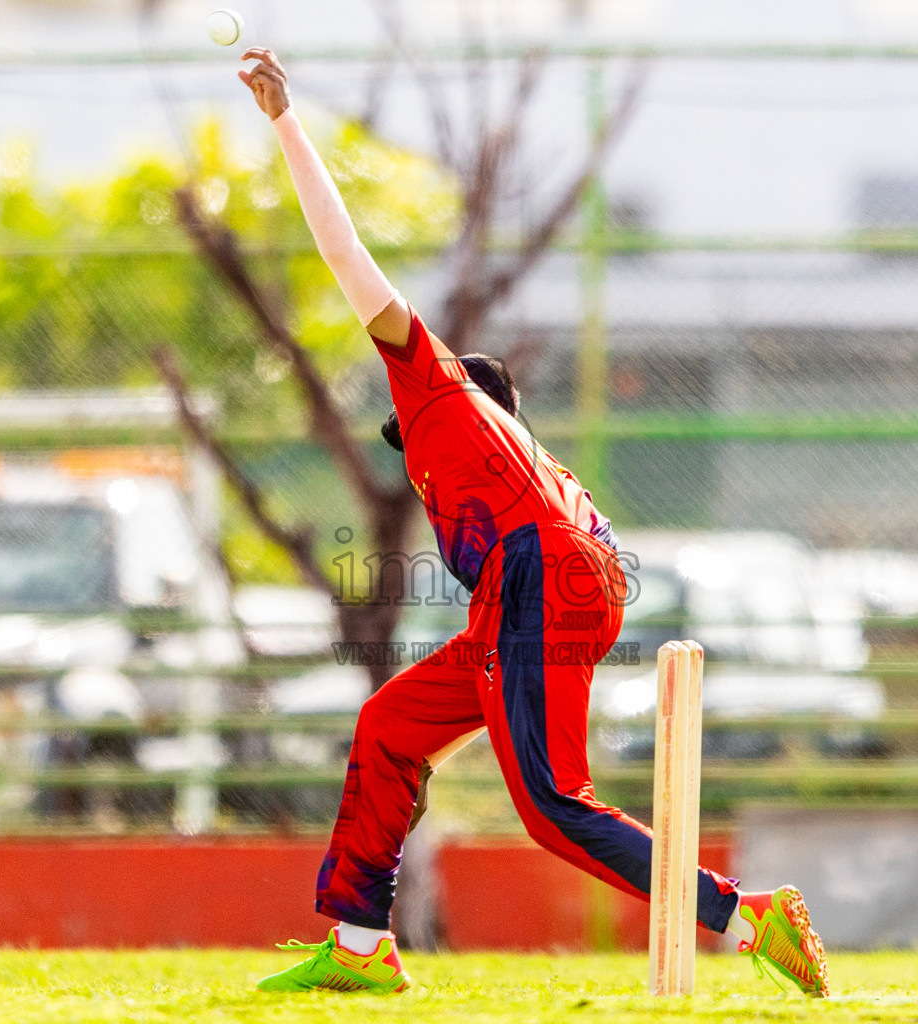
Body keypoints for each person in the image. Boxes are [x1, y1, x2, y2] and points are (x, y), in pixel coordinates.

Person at [238, 49, 828, 998]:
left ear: (468, 390)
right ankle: (359, 943)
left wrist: (284, 122)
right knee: (391, 724)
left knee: (551, 805)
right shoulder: (523, 458)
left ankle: (743, 914)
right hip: (553, 585)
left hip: (539, 577)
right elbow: (593, 567)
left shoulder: (443, 393)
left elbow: (346, 256)